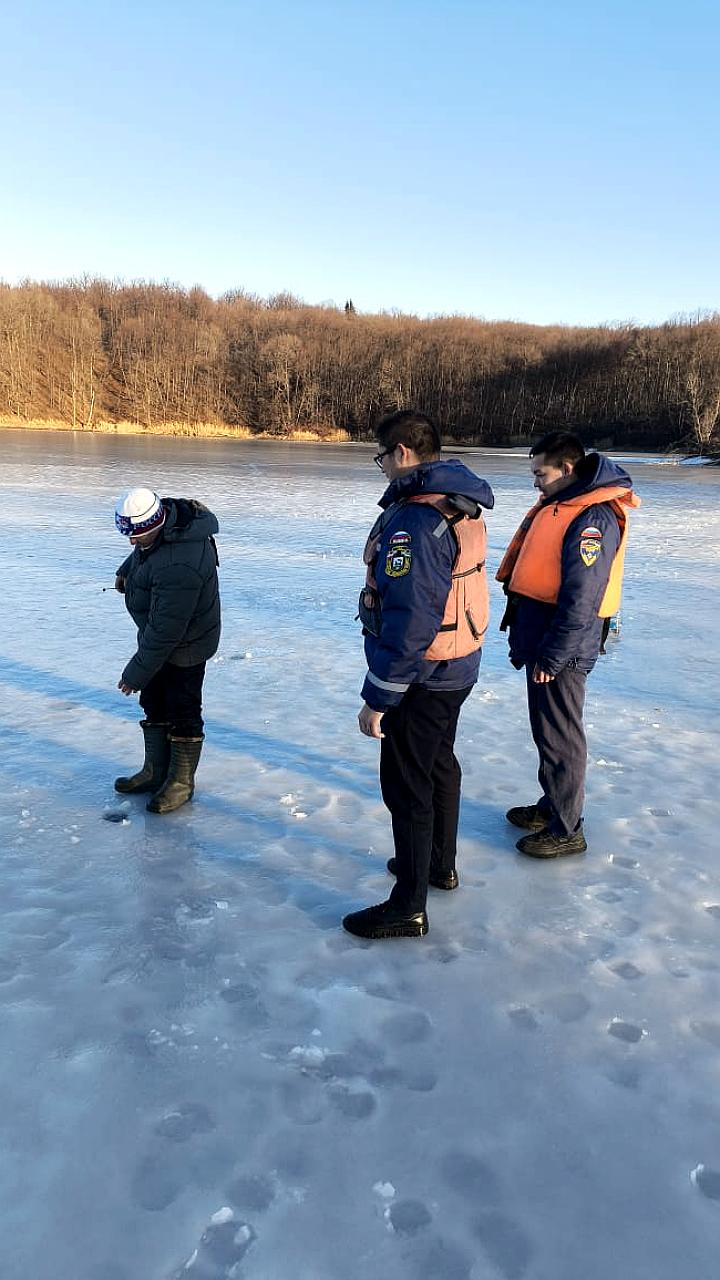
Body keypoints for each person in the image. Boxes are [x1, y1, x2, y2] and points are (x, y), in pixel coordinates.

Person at [342, 410, 495, 940]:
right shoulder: (459, 503)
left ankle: (408, 904)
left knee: (406, 785)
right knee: (438, 765)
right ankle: (437, 864)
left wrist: (380, 696)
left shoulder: (417, 521)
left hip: (424, 673)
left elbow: (411, 618)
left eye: (381, 455)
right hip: (457, 664)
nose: (380, 465)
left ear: (403, 453)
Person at [496, 431, 640, 858]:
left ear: (568, 469)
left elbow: (583, 595)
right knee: (547, 730)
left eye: (540, 473)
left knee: (560, 735)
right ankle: (552, 804)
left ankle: (567, 828)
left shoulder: (592, 518)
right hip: (544, 635)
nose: (536, 482)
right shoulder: (562, 505)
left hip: (563, 645)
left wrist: (555, 655)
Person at [113, 487, 221, 813]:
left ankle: (181, 783)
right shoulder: (165, 527)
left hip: (186, 645)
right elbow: (146, 552)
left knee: (182, 710)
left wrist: (135, 674)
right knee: (154, 701)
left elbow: (166, 631)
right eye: (127, 534)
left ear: (154, 523)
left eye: (136, 535)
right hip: (161, 638)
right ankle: (155, 771)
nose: (132, 542)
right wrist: (127, 571)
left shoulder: (180, 565)